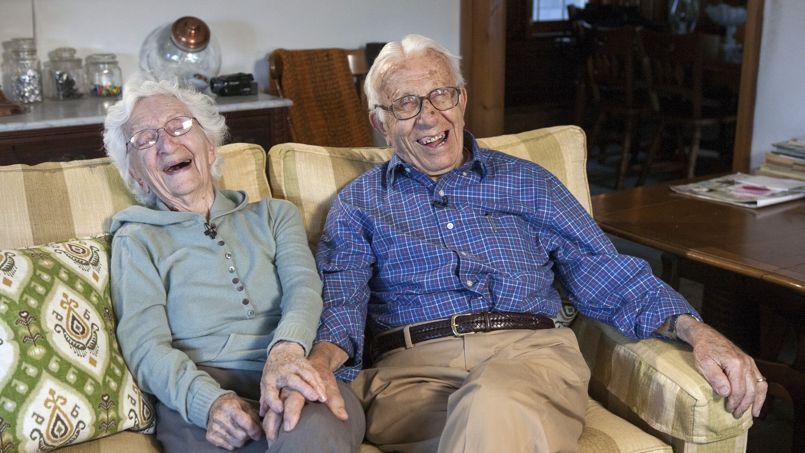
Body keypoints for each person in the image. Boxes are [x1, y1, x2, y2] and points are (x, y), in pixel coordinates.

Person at [272, 35, 768, 452]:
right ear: (381, 122)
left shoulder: (529, 182)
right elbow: (342, 298)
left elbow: (601, 269)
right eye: (405, 103)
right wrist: (319, 364)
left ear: (462, 100)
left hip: (531, 358)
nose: (428, 116)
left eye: (441, 94)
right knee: (487, 415)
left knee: (495, 400)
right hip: (411, 378)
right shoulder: (358, 203)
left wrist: (696, 330)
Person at [103, 76, 364, 452]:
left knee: (313, 433)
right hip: (202, 389)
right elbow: (145, 346)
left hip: (295, 369)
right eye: (145, 139)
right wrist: (207, 402)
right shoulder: (137, 239)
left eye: (179, 126)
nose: (166, 143)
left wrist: (287, 353)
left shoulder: (275, 216)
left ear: (209, 147)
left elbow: (304, 289)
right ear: (136, 176)